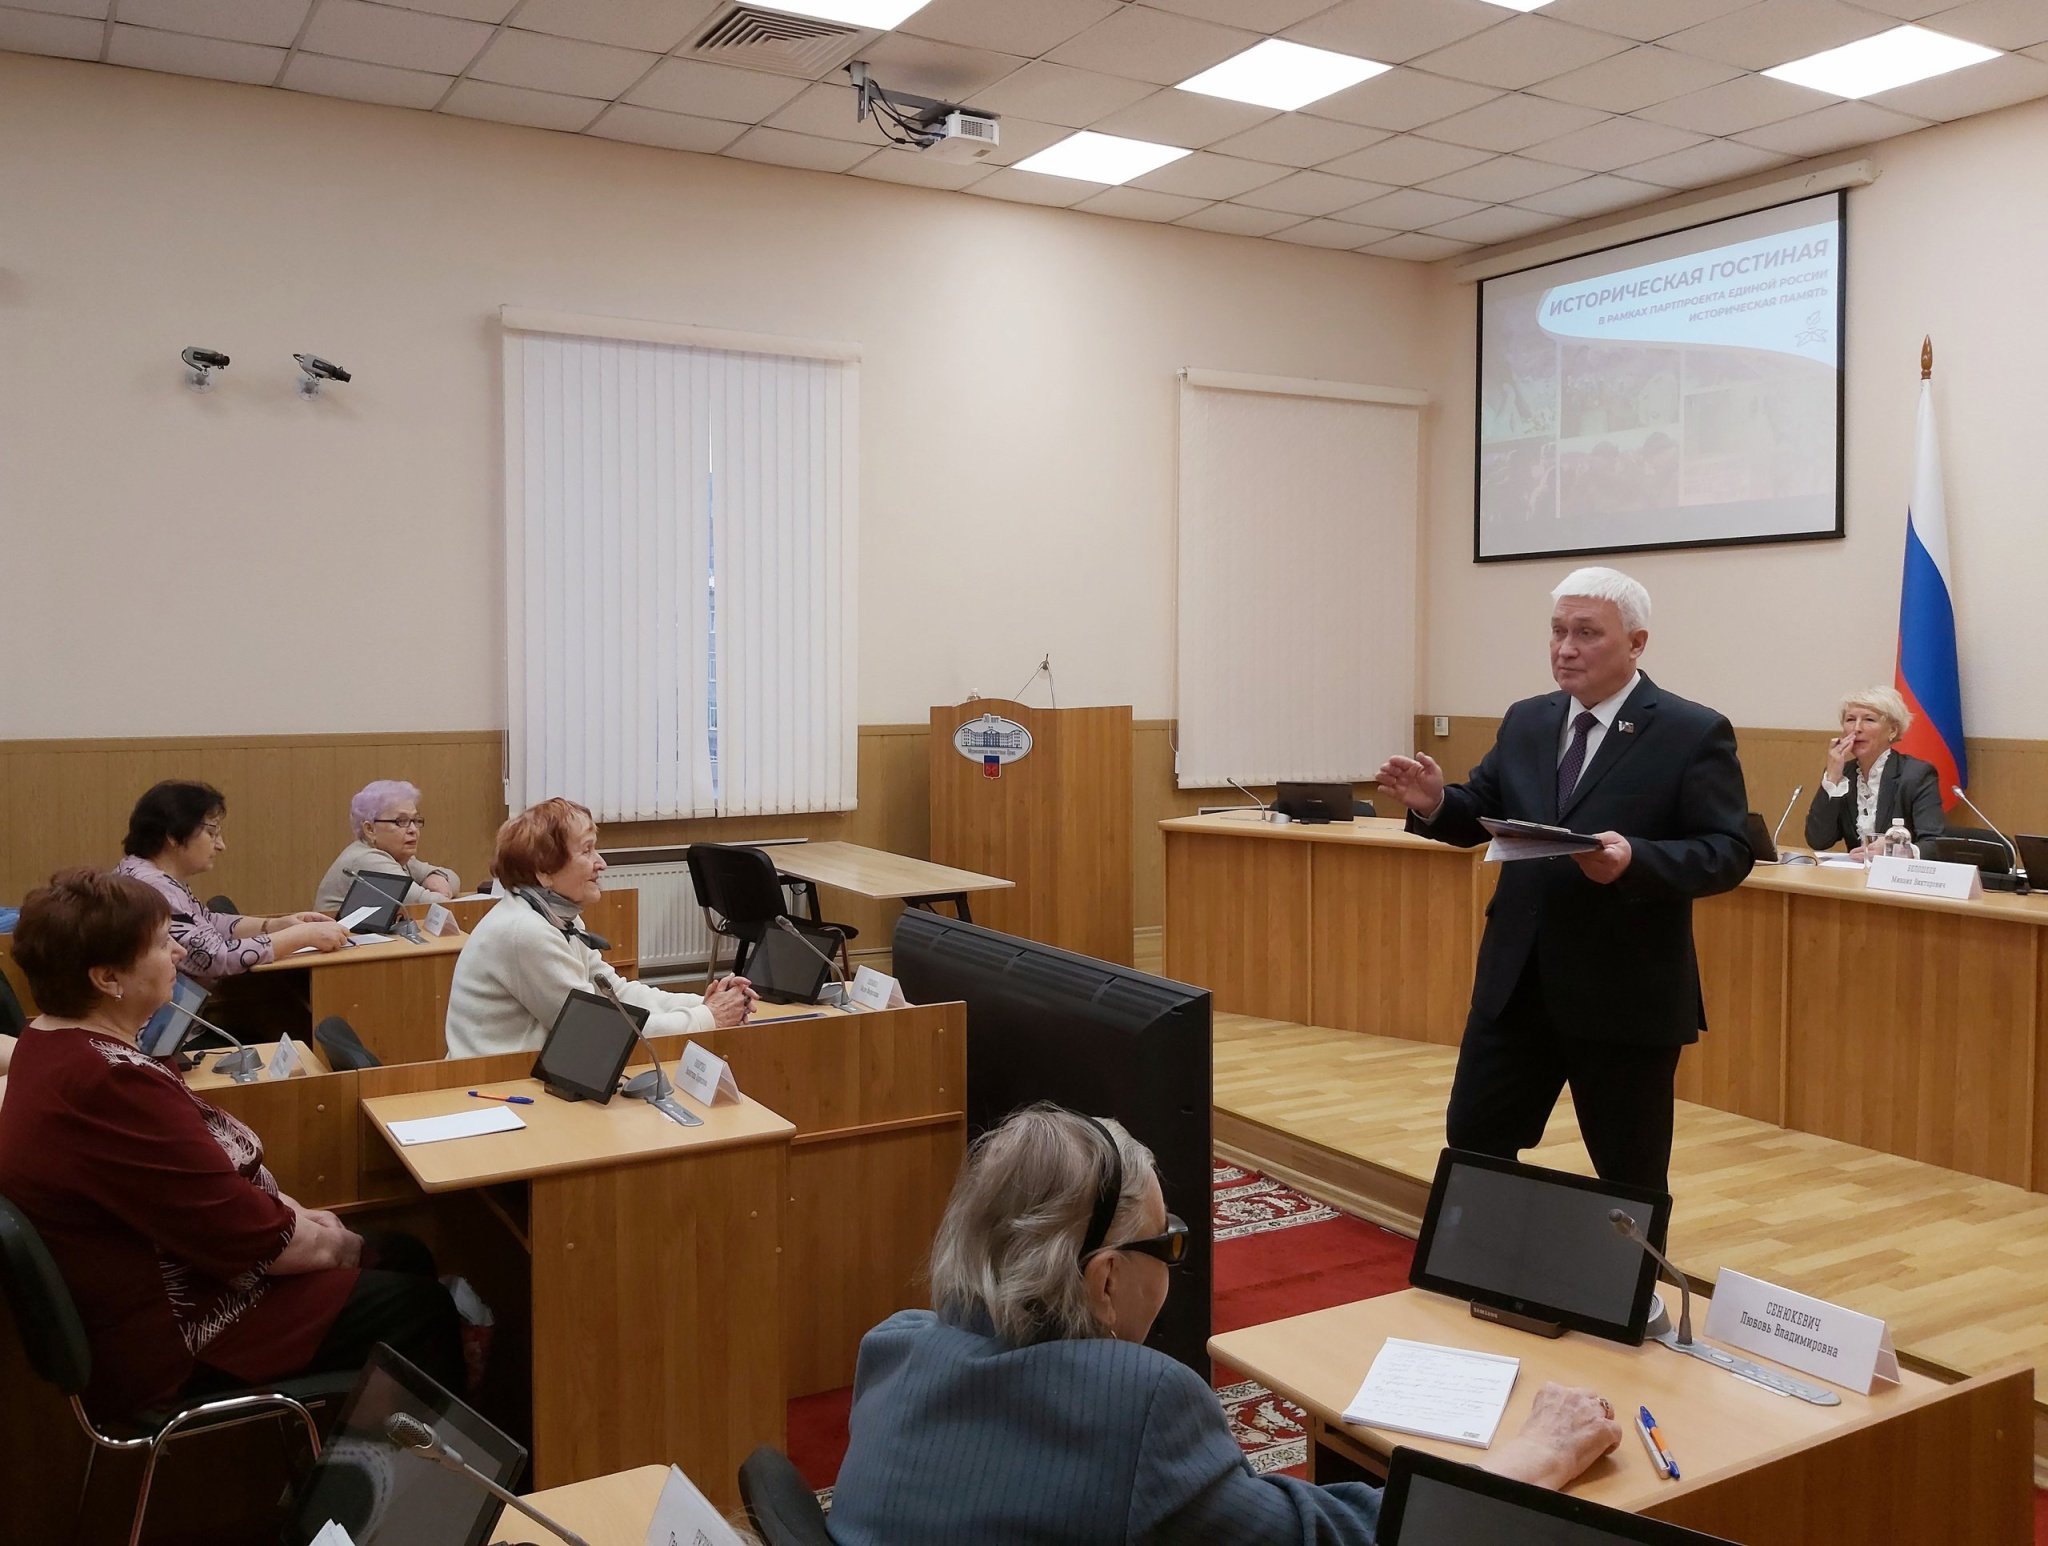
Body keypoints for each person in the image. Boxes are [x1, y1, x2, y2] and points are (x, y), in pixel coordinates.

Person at [827, 1105, 1621, 1545]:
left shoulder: (894, 1348)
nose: (1177, 1259)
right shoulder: (1134, 1404)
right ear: (1105, 1281)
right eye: (1166, 1242)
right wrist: (1536, 1456)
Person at [0, 869, 463, 1417]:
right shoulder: (109, 1084)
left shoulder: (49, 1043)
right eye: (160, 944)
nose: (178, 952)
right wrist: (337, 1245)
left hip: (175, 1289)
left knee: (402, 1254)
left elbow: (206, 1192)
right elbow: (247, 1239)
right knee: (419, 1304)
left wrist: (302, 1218)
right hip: (180, 1335)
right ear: (107, 978)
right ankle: (391, 1467)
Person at [1376, 567, 1752, 1198]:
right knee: (1474, 1143)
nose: (1565, 648)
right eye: (1557, 632)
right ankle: (1485, 1256)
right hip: (1516, 985)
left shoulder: (1691, 731)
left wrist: (1635, 860)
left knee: (1629, 1175)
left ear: (1636, 643)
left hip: (1623, 994)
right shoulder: (1528, 719)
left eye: (1586, 633)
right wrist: (1437, 803)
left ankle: (1630, 1269)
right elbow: (1483, 812)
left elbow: (1728, 850)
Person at [443, 797, 754, 1059]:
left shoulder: (554, 915)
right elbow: (596, 1029)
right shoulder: (526, 932)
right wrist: (706, 1017)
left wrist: (704, 1004)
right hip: (494, 1086)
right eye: (587, 850)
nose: (601, 862)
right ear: (544, 871)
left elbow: (615, 993)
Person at [115, 780, 347, 987]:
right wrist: (302, 936)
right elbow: (213, 957)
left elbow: (208, 922)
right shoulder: (152, 889)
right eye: (212, 833)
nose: (220, 845)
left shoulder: (150, 874)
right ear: (173, 836)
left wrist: (276, 925)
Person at [1803, 686, 1945, 855]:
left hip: (1899, 871)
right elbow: (1819, 840)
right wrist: (1832, 778)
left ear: (1892, 730)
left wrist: (1897, 849)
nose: (1856, 728)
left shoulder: (1916, 774)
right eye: (1850, 720)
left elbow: (1934, 844)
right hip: (1855, 870)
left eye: (1869, 720)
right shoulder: (1844, 774)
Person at [313, 779, 462, 914]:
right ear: (370, 829)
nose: (413, 829)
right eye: (401, 821)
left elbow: (453, 878)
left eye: (415, 820)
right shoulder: (367, 860)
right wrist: (440, 891)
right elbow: (429, 904)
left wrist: (435, 878)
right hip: (337, 935)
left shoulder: (397, 856)